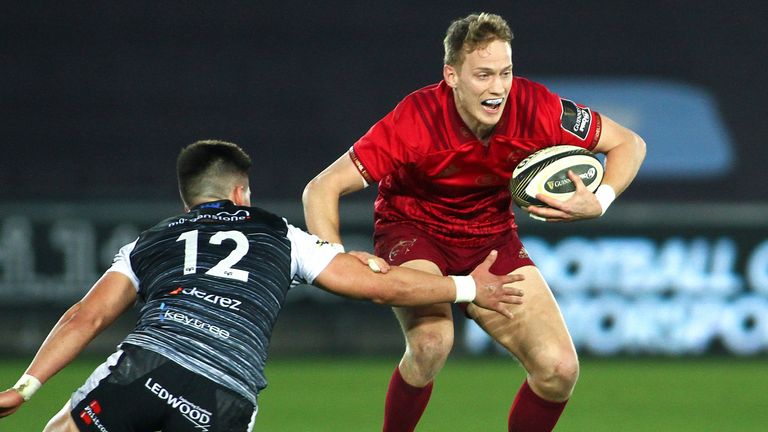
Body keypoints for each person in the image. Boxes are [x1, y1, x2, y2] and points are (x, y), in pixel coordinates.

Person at [0, 140, 525, 431]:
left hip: (146, 366)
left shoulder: (150, 241)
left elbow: (84, 319)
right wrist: (465, 288)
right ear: (240, 191)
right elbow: (379, 288)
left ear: (188, 200)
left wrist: (24, 388)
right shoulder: (280, 234)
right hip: (225, 395)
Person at [302, 12, 646, 432]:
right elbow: (320, 188)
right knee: (431, 344)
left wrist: (602, 199)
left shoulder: (536, 107)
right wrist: (334, 262)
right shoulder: (414, 120)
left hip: (491, 239)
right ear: (452, 75)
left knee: (559, 370)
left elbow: (628, 143)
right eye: (483, 75)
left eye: (505, 73)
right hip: (414, 233)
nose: (498, 88)